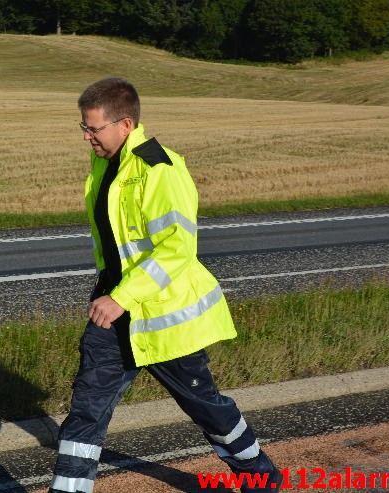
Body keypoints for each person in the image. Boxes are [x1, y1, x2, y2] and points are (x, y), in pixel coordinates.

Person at [47, 78, 282, 493]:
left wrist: (122, 297)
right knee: (86, 408)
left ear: (124, 123)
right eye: (82, 128)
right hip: (114, 313)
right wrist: (111, 294)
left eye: (93, 128)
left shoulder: (160, 167)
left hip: (163, 319)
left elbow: (177, 248)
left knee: (205, 406)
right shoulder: (105, 165)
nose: (86, 137)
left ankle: (260, 475)